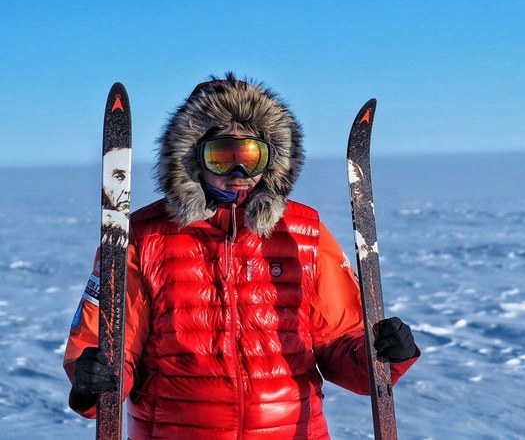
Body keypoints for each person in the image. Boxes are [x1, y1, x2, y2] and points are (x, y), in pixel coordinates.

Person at [64, 73, 420, 439]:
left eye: (251, 156)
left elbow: (337, 339)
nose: (239, 173)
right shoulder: (141, 236)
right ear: (191, 159)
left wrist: (379, 355)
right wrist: (92, 381)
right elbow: (106, 343)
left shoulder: (304, 231)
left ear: (272, 159)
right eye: (222, 157)